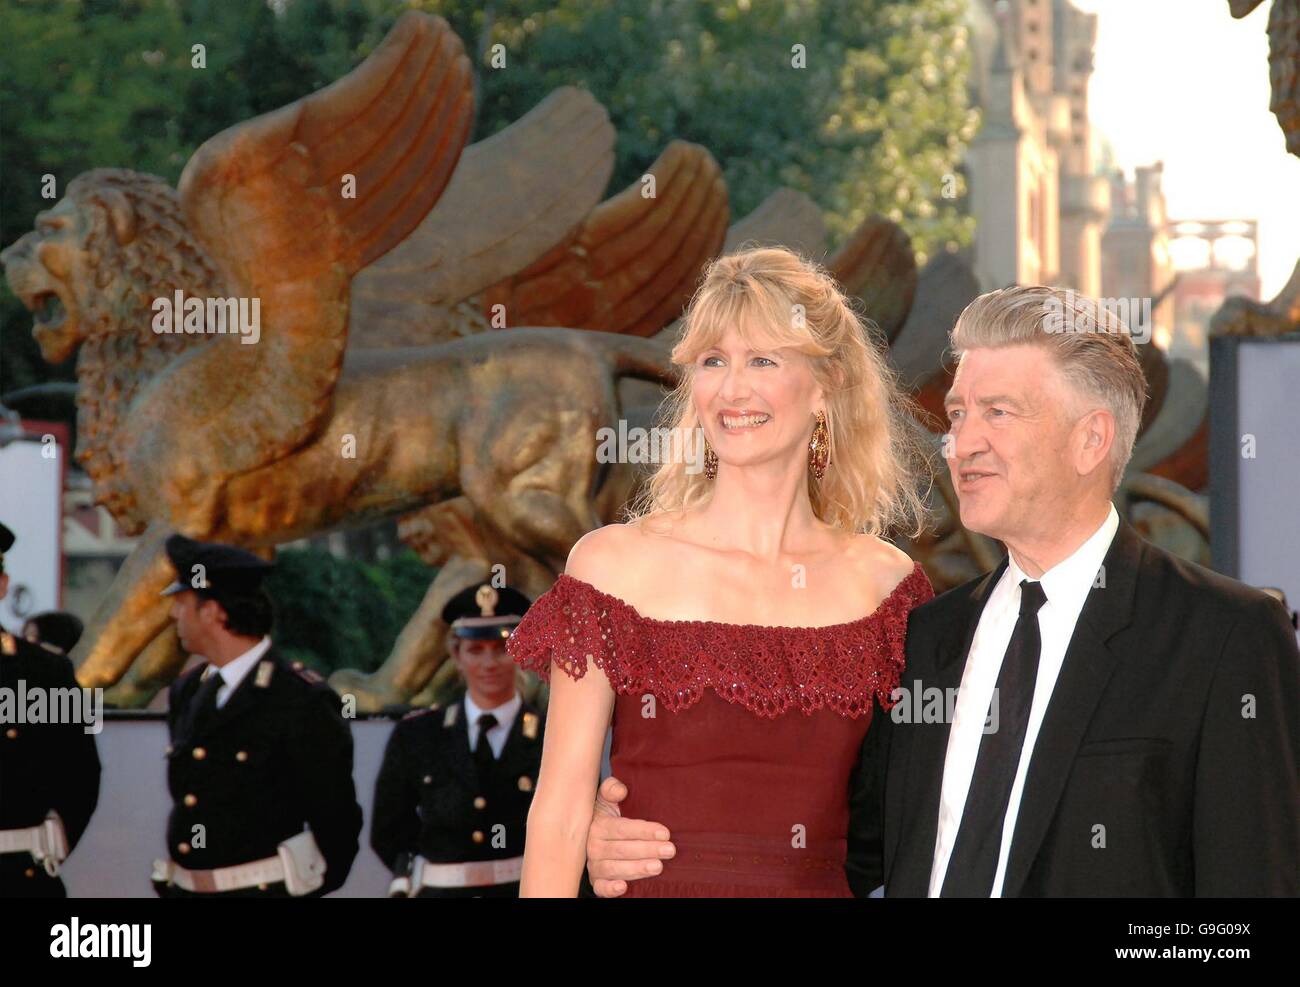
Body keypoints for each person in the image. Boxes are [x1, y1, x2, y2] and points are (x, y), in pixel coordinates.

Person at [587, 285, 1300, 898]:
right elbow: (831, 844)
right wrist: (634, 837)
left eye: (999, 412)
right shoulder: (927, 639)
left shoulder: (1224, 637)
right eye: (958, 415)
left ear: (1091, 439)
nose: (963, 443)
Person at [505, 246, 934, 897]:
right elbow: (559, 815)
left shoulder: (886, 587)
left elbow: (919, 819)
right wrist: (592, 833)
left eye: (763, 359)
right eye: (713, 361)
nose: (732, 389)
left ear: (826, 385)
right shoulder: (612, 567)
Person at [151, 534, 362, 897]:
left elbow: (336, 822)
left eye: (182, 603)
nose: (173, 614)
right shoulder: (189, 691)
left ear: (213, 611)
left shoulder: (299, 699)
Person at [371, 582, 543, 897]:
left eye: (500, 648)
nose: (489, 663)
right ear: (456, 654)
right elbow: (389, 832)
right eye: (476, 650)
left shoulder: (551, 735)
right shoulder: (417, 736)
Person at [0, 521, 101, 897]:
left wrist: (48, 846)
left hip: (17, 877)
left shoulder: (45, 671)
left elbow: (80, 773)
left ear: (2, 585)